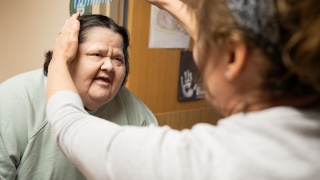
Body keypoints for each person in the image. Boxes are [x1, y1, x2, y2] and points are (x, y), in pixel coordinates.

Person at [46, 0, 320, 179]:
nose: (196, 55)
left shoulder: (202, 163)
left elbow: (69, 124)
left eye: (200, 45)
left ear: (233, 58)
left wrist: (60, 56)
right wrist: (174, 6)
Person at [0, 14, 157, 180]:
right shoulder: (13, 100)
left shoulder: (136, 113)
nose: (109, 66)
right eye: (97, 54)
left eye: (118, 59)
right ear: (68, 56)